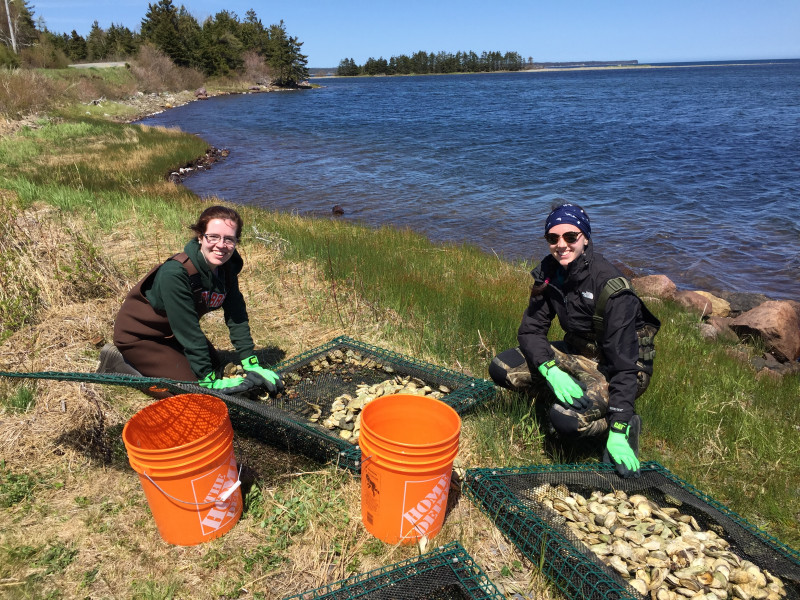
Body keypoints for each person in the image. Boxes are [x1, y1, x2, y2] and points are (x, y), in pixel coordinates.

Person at [489, 202, 659, 478]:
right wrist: (550, 370)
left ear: (585, 238)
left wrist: (618, 429)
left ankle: (623, 421)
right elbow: (531, 331)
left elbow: (625, 367)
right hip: (579, 352)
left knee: (566, 422)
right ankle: (567, 395)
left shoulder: (612, 287)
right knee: (502, 367)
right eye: (553, 238)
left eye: (571, 236)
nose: (561, 245)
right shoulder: (550, 271)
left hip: (621, 368)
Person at [98, 205, 284, 398]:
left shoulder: (227, 268)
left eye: (229, 239)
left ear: (237, 241)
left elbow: (236, 315)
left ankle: (172, 364)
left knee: (217, 365)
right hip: (141, 336)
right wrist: (207, 380)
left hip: (174, 333)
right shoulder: (176, 273)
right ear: (200, 237)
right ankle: (120, 363)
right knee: (194, 394)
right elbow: (188, 330)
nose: (221, 245)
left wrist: (250, 361)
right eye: (213, 237)